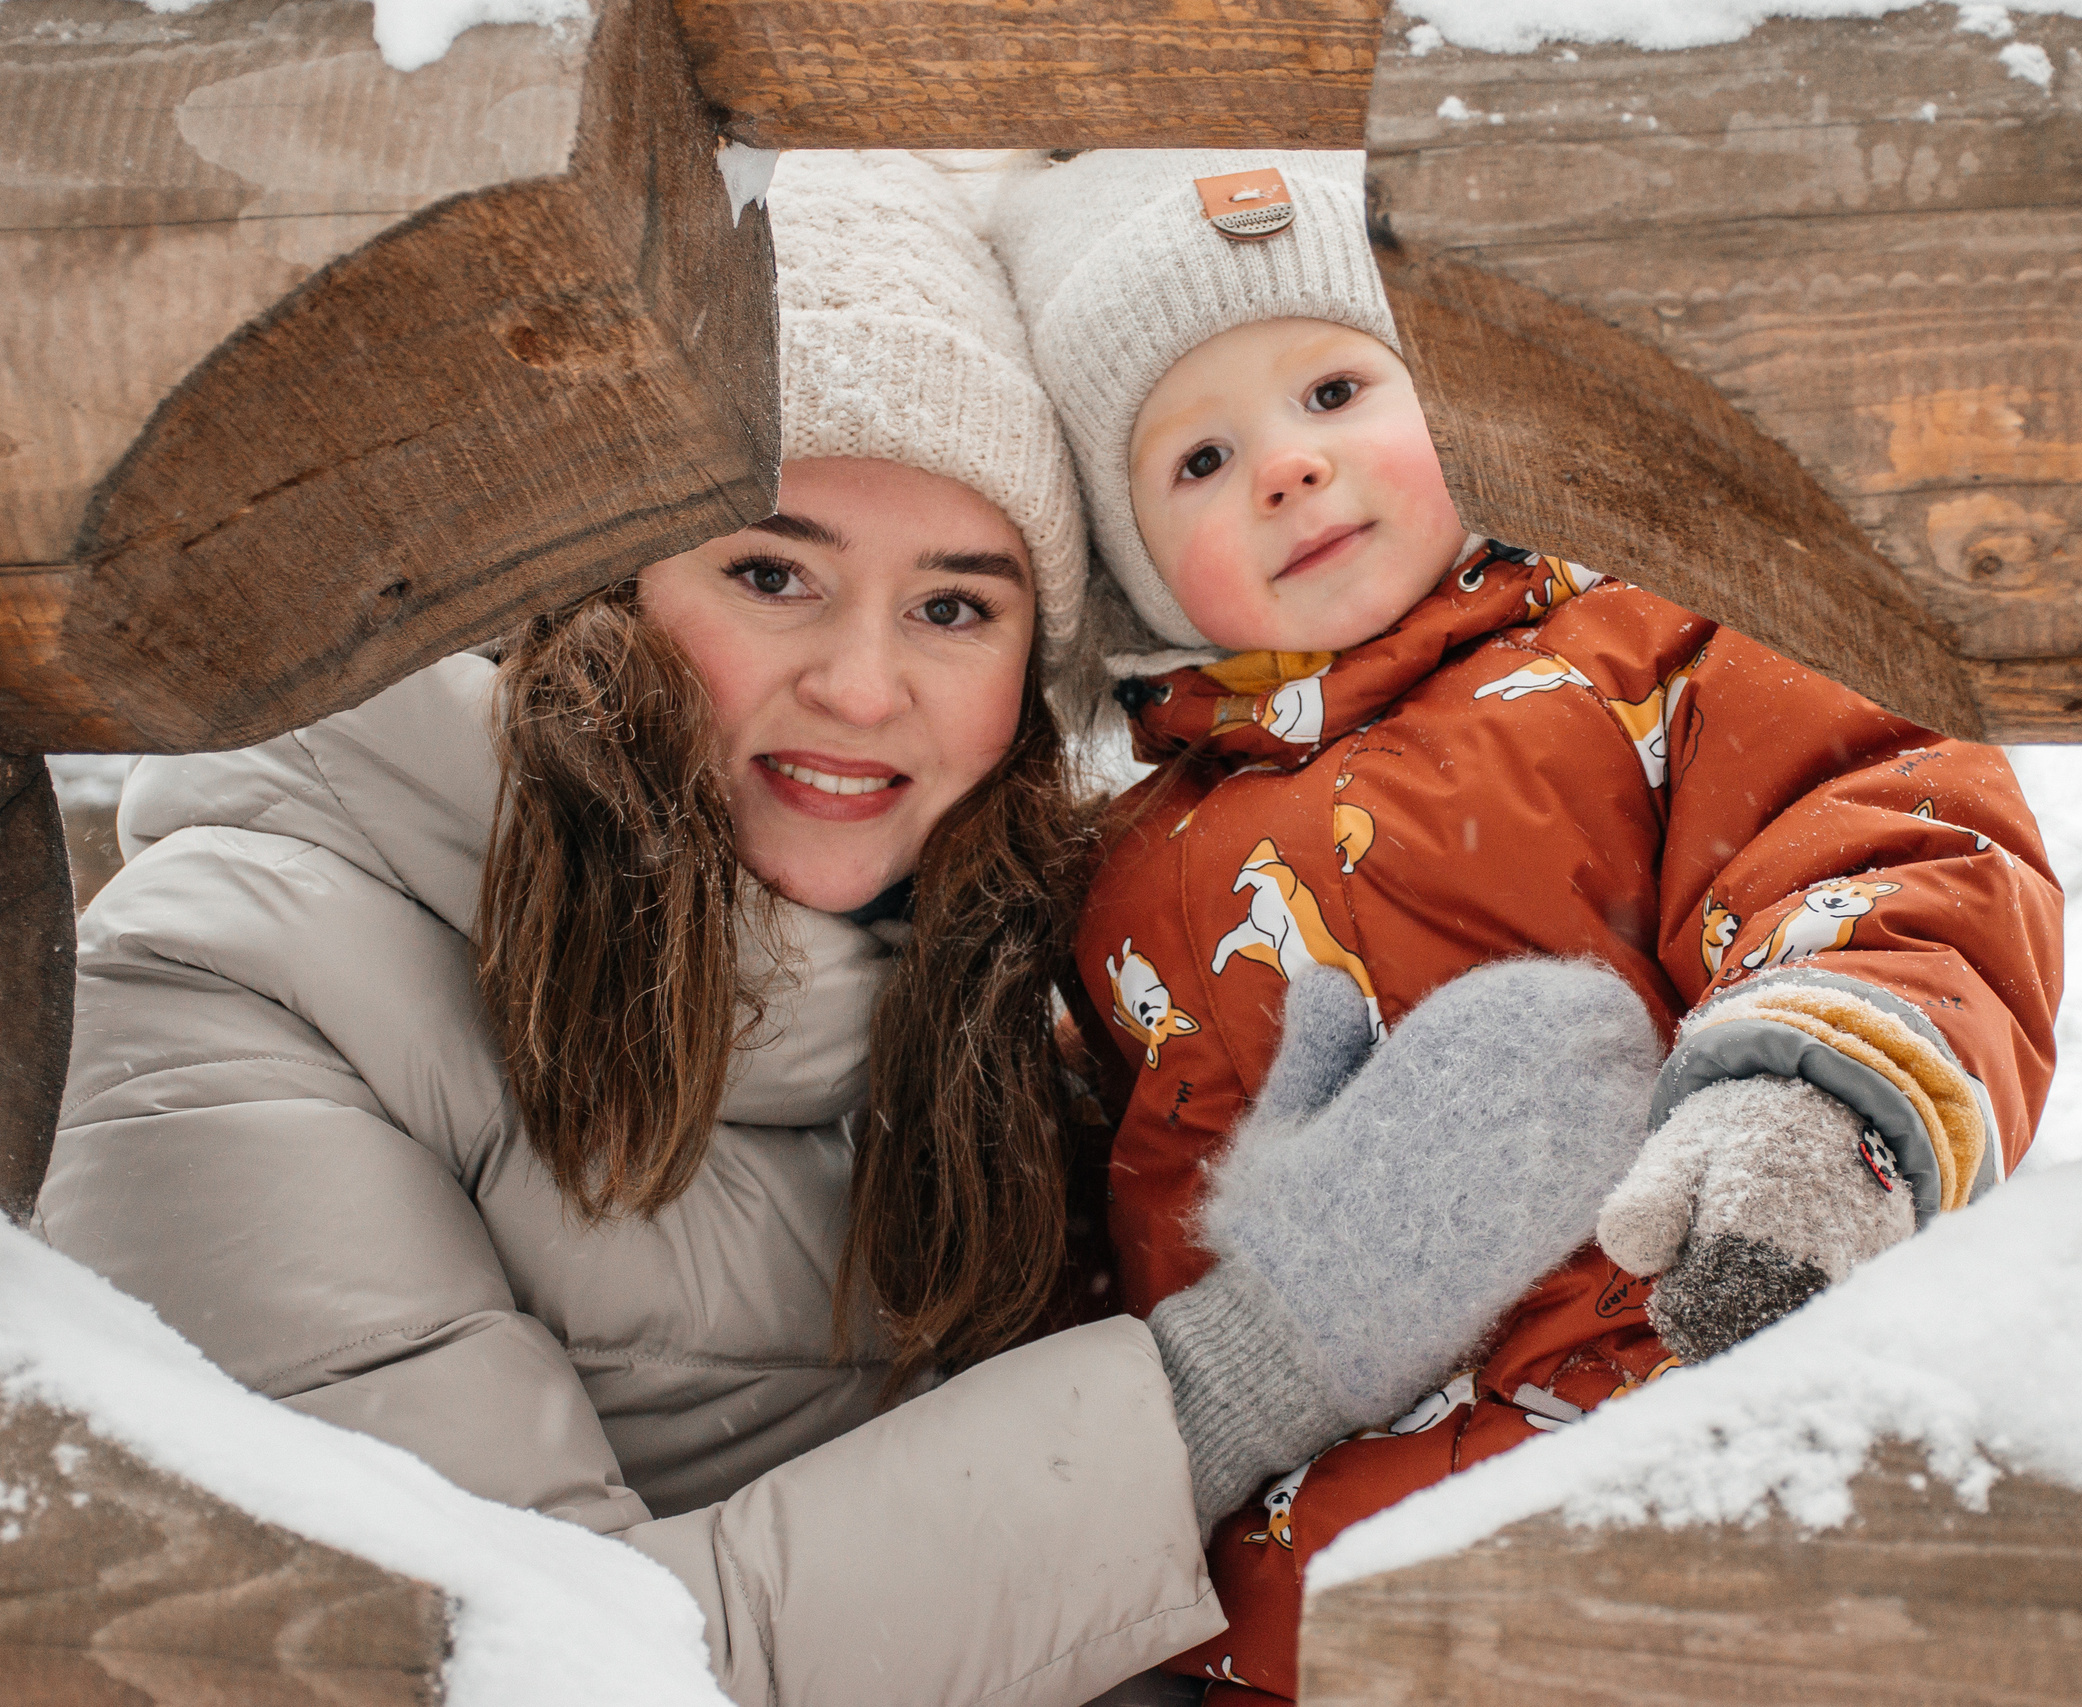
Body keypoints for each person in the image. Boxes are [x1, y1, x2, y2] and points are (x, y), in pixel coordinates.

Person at [32, 152, 1622, 1707]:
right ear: (582, 585)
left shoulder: (997, 980)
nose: (865, 690)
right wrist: (1251, 1363)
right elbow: (503, 1663)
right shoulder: (232, 987)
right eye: (773, 571)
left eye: (955, 606)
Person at [992, 149, 2067, 1701]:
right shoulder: (1120, 880)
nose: (1288, 467)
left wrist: (1817, 1094)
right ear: (1138, 572)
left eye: (1338, 391)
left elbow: (1888, 826)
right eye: (1200, 461)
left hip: (1681, 1493)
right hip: (1310, 1626)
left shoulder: (1650, 644)